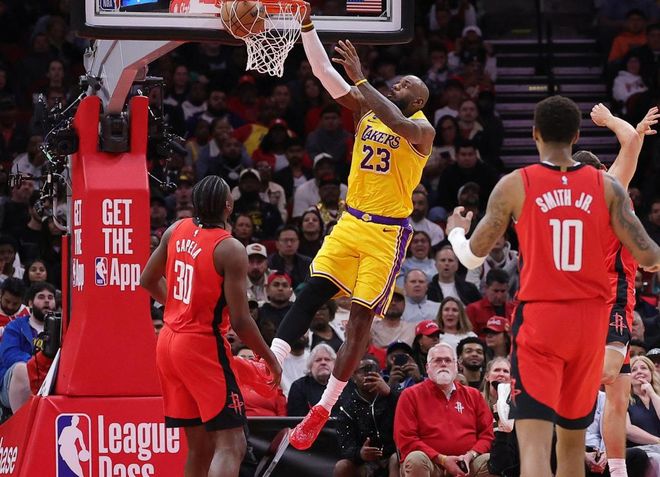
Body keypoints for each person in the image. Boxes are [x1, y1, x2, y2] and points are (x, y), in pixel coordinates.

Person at [445, 95, 660, 477]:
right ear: (577, 135)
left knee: (534, 450)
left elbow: (472, 259)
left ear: (534, 135)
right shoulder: (607, 189)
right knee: (572, 450)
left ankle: (518, 399)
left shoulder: (516, 184)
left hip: (540, 321)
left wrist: (457, 232)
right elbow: (650, 257)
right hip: (589, 317)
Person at [267, 9, 435, 451]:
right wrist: (307, 27)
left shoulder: (422, 129)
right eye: (397, 82)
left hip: (385, 235)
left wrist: (362, 79)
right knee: (311, 292)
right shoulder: (365, 107)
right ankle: (272, 360)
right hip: (350, 221)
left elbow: (397, 123)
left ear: (418, 99)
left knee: (360, 319)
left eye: (405, 86)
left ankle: (323, 407)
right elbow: (325, 74)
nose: (396, 85)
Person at [139, 175, 281, 477]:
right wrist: (270, 358)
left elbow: (147, 280)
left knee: (200, 447)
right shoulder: (230, 248)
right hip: (201, 345)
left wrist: (179, 306)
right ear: (228, 206)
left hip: (168, 342)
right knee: (232, 444)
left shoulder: (176, 229)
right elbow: (241, 321)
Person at [577, 104, 659, 477]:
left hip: (592, 298)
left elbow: (631, 146)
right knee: (608, 373)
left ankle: (617, 470)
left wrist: (636, 133)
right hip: (610, 298)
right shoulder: (604, 190)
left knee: (619, 398)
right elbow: (628, 145)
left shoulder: (573, 206)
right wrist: (610, 120)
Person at [393, 342, 495, 477]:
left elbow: (487, 435)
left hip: (467, 464)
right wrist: (442, 459)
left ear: (456, 366)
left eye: (448, 360)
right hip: (431, 463)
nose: (443, 364)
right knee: (415, 458)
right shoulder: (410, 395)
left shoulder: (474, 395)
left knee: (491, 461)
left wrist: (471, 455)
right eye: (437, 360)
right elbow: (405, 438)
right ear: (427, 368)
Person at [334, 356, 400, 477]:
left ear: (380, 373)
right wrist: (360, 453)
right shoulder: (347, 407)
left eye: (373, 369)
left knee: (395, 459)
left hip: (394, 455)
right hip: (365, 462)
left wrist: (390, 393)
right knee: (342, 466)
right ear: (353, 377)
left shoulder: (393, 393)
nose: (369, 374)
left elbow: (411, 411)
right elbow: (345, 447)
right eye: (363, 370)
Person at [0, 281, 56, 413]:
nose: (46, 301)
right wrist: (37, 364)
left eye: (50, 297)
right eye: (41, 297)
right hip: (13, 384)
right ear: (30, 303)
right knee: (21, 369)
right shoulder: (15, 326)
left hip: (49, 379)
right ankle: (23, 423)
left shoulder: (63, 329)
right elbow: (9, 356)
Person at [287, 343, 337, 416]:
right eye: (318, 360)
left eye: (327, 359)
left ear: (335, 365)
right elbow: (295, 419)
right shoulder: (298, 387)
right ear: (310, 366)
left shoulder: (345, 385)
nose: (323, 362)